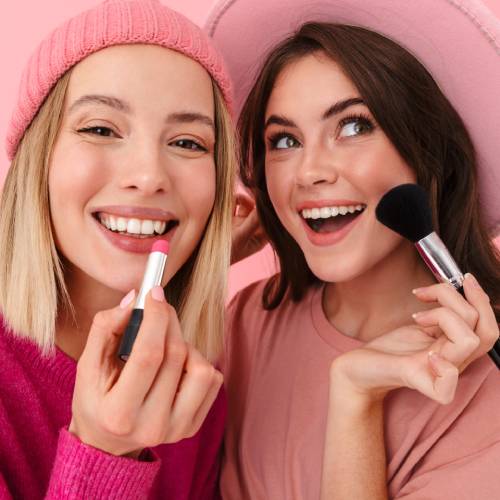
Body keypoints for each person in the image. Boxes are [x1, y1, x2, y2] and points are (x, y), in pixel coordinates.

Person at [207, 1, 500, 498]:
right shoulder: (246, 321)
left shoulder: (482, 384)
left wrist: (356, 396)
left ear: (427, 153)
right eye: (283, 140)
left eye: (353, 126)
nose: (309, 172)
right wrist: (196, 266)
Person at [0, 0, 236, 498]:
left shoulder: (200, 382)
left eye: (190, 143)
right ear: (36, 159)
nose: (149, 176)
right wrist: (104, 451)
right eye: (100, 129)